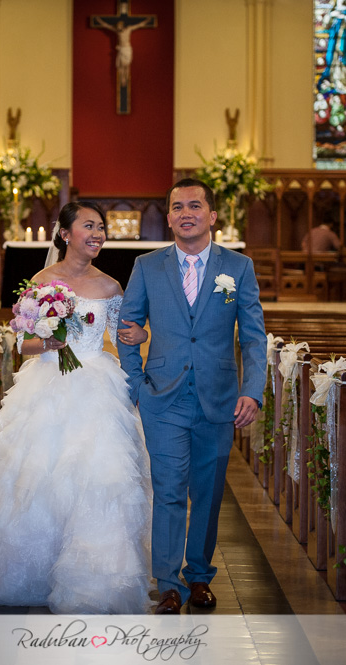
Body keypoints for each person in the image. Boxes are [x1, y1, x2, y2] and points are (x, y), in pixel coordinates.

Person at [0, 201, 153, 614]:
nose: (98, 234)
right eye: (89, 226)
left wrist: (140, 333)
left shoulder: (110, 286)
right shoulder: (41, 280)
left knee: (95, 477)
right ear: (66, 233)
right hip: (47, 382)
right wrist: (49, 342)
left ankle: (95, 577)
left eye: (102, 227)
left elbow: (124, 335)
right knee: (34, 476)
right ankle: (25, 569)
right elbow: (24, 341)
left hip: (95, 386)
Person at [117, 178, 268, 614]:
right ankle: (167, 582)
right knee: (167, 490)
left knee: (207, 491)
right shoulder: (147, 266)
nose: (187, 213)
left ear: (212, 215)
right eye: (178, 207)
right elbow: (126, 329)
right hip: (162, 398)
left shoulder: (238, 268)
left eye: (195, 206)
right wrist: (137, 384)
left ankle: (198, 576)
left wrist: (252, 392)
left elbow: (254, 338)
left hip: (218, 398)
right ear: (168, 217)